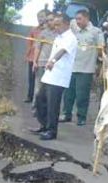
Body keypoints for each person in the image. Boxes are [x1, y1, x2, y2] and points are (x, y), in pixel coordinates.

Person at [32, 13, 78, 141]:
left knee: (53, 105)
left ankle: (52, 131)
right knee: (40, 98)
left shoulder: (70, 38)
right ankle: (44, 125)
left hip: (59, 76)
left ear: (67, 24)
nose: (55, 27)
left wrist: (52, 61)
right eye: (55, 24)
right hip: (49, 75)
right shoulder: (58, 37)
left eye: (58, 24)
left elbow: (62, 51)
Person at [61, 9, 103, 126]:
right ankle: (66, 114)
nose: (77, 21)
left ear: (87, 18)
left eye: (80, 19)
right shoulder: (74, 30)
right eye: (76, 19)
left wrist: (99, 63)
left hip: (86, 69)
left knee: (82, 95)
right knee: (68, 93)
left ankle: (81, 117)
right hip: (71, 67)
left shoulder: (96, 32)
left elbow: (101, 49)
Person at [25, 11, 48, 102]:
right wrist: (27, 55)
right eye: (38, 17)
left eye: (42, 16)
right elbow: (29, 43)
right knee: (31, 78)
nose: (40, 19)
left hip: (44, 58)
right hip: (32, 57)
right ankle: (29, 96)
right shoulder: (34, 29)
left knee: (42, 80)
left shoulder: (49, 30)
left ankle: (41, 99)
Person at [33, 11, 57, 86]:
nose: (49, 22)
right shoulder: (43, 33)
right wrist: (34, 62)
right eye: (47, 21)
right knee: (39, 89)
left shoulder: (60, 33)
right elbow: (38, 48)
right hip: (42, 63)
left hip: (54, 65)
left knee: (51, 90)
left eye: (51, 20)